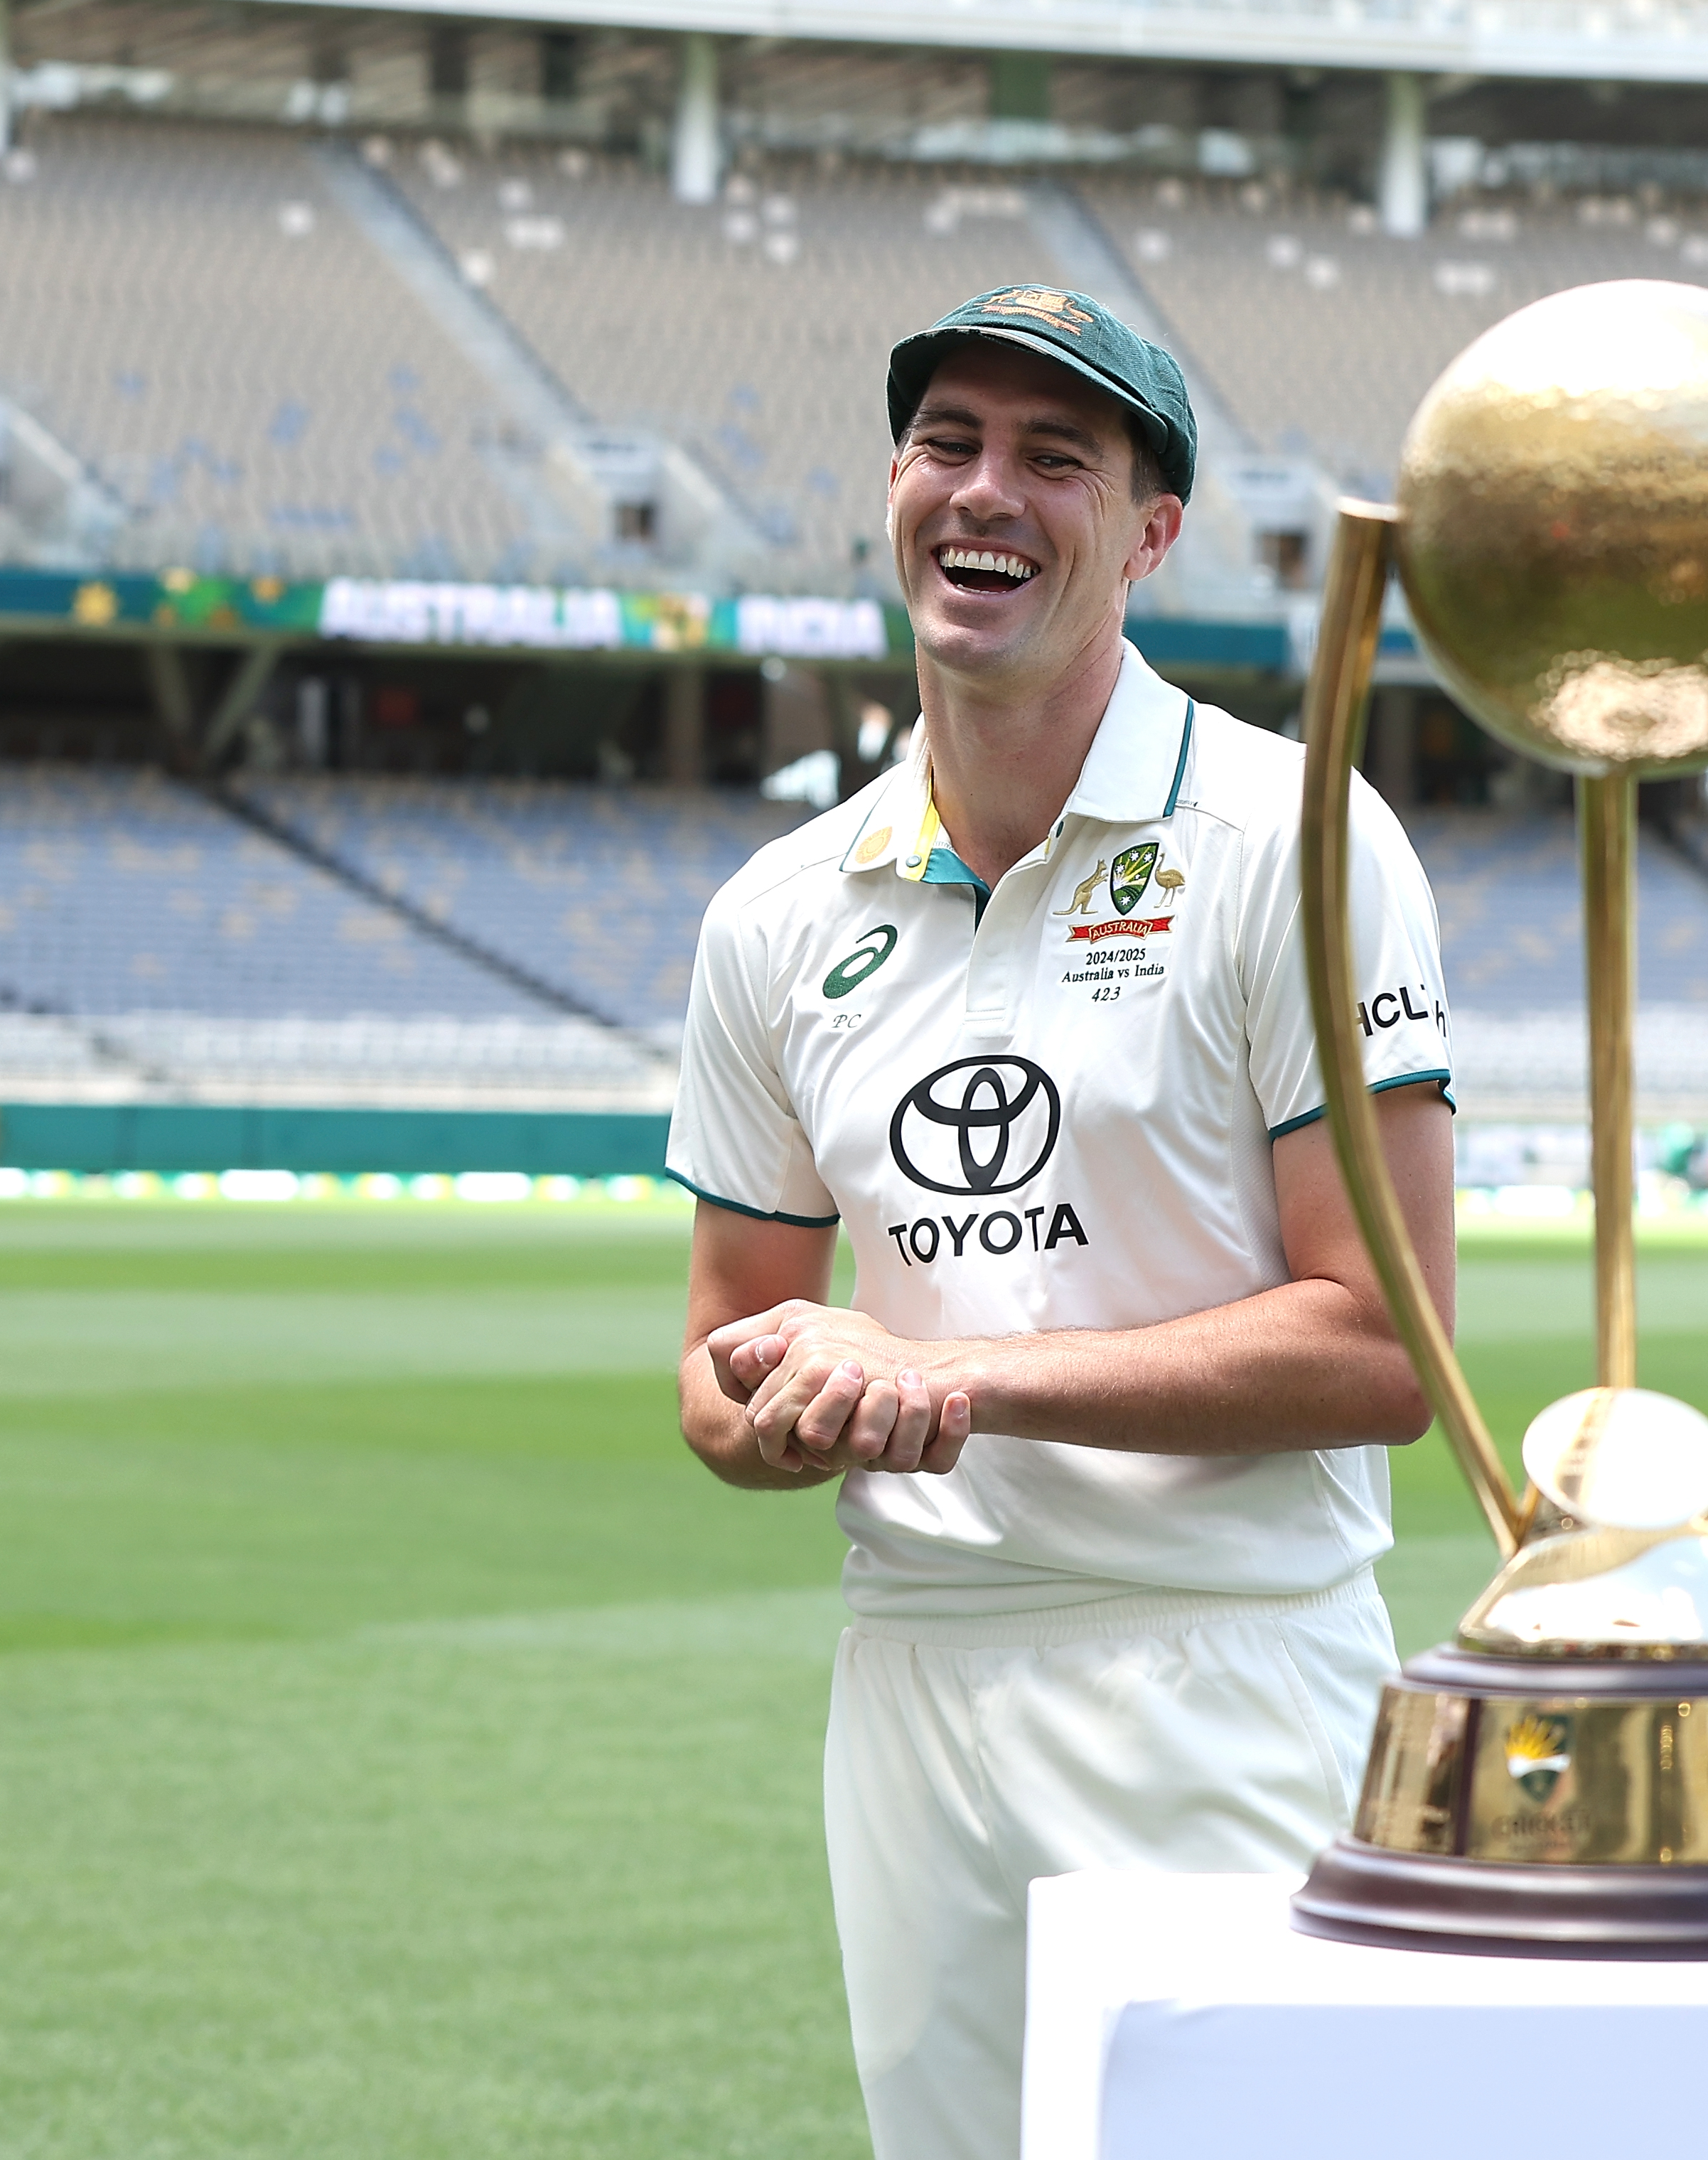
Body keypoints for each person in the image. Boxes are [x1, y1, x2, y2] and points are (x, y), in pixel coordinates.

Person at [669, 289, 1457, 2160]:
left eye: (1053, 459)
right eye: (946, 440)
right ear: (890, 482)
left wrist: (953, 1379)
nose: (984, 491)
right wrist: (790, 1408)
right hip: (914, 1686)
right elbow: (717, 1357)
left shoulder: (1294, 846)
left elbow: (1384, 1349)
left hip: (1229, 1670)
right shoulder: (776, 912)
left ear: (1147, 531)